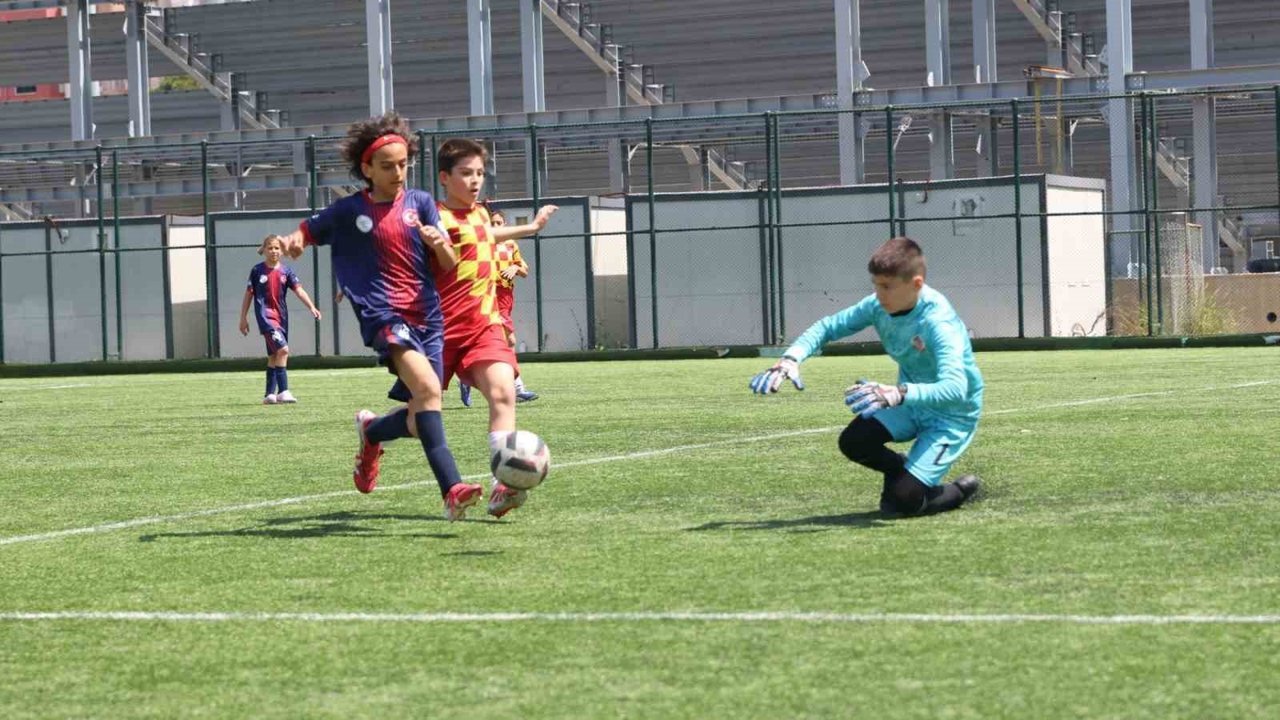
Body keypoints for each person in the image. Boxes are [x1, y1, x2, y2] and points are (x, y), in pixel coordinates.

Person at [278, 111, 483, 521]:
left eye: (403, 164)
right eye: (388, 166)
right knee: (429, 390)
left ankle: (372, 432)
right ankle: (452, 489)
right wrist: (293, 241)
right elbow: (305, 231)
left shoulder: (421, 203)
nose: (398, 173)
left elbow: (448, 262)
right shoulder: (348, 210)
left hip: (429, 318)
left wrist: (438, 242)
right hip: (383, 314)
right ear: (367, 168)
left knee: (420, 416)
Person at [750, 237, 983, 516]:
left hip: (951, 415)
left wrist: (898, 393)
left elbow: (956, 387)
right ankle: (903, 470)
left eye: (886, 286)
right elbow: (828, 327)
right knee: (854, 442)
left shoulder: (938, 323)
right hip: (908, 403)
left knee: (900, 504)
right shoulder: (877, 306)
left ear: (916, 284)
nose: (879, 294)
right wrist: (791, 359)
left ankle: (959, 489)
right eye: (875, 284)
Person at [410, 137, 555, 518]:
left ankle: (502, 485)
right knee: (414, 420)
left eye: (479, 173)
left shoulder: (479, 214)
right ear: (444, 177)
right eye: (466, 173)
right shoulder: (434, 218)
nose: (475, 180)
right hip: (439, 332)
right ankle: (373, 431)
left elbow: (485, 235)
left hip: (483, 325)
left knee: (503, 393)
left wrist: (530, 228)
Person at [457, 205, 538, 406]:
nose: (496, 226)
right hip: (487, 295)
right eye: (492, 223)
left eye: (499, 223)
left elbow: (525, 270)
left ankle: (466, 377)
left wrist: (515, 267)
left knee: (487, 341)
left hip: (505, 297)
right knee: (508, 340)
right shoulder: (481, 244)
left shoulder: (510, 245)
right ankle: (517, 389)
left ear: (505, 224)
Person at [237, 234, 321, 404]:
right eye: (270, 248)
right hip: (266, 318)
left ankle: (269, 394)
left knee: (274, 355)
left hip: (281, 318)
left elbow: (299, 290)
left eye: (277, 248)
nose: (274, 251)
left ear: (282, 251)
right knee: (283, 350)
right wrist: (243, 318)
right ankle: (283, 391)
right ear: (264, 250)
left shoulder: (286, 271)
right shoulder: (257, 271)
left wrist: (312, 306)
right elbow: (249, 294)